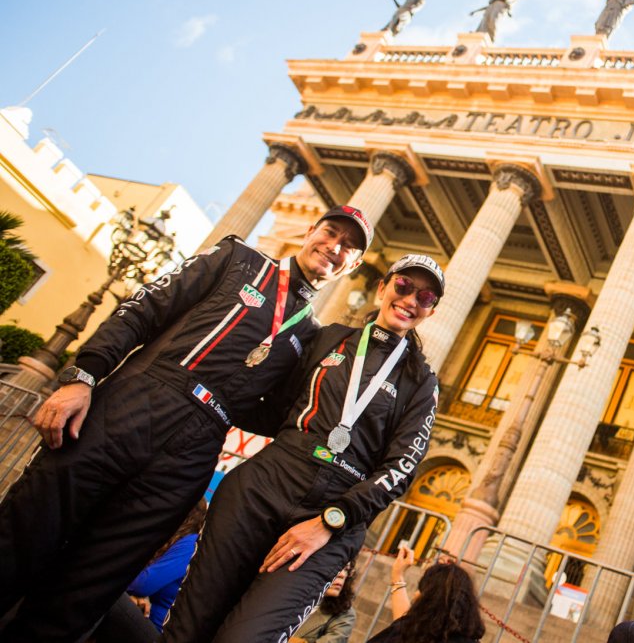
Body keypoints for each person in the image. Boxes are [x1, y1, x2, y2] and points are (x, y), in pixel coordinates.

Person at [0, 205, 372, 643]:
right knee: (24, 532)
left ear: (355, 265)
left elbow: (279, 412)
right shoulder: (237, 259)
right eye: (330, 233)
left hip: (194, 453)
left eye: (348, 247)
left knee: (91, 585)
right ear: (311, 231)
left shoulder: (309, 335)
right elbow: (144, 310)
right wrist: (83, 376)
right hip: (134, 406)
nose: (334, 247)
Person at [162, 254, 446, 643]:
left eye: (426, 297)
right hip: (264, 486)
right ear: (383, 288)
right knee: (187, 629)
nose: (411, 299)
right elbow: (270, 400)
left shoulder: (422, 381)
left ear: (430, 311)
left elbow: (401, 468)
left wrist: (332, 520)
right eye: (403, 286)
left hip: (332, 517)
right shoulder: (328, 337)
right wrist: (196, 402)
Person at [92, 500, 208, 642]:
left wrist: (134, 593)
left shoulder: (191, 543)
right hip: (147, 618)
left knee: (104, 591)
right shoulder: (175, 541)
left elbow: (141, 585)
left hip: (160, 635)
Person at [367, 549, 485, 643]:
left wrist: (397, 574)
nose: (415, 595)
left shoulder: (404, 634)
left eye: (421, 590)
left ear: (429, 600)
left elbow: (405, 627)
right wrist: (397, 576)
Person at [290, 561, 358, 643]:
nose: (342, 574)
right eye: (338, 567)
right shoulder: (291, 593)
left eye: (346, 569)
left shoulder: (345, 614)